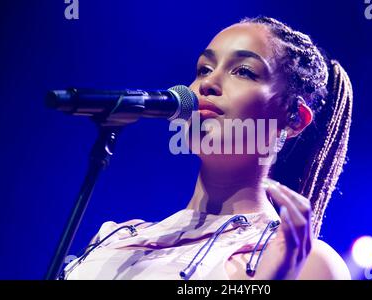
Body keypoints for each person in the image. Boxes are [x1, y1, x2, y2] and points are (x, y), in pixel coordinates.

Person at [63, 16, 353, 280]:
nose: (209, 83)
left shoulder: (307, 263)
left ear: (294, 119)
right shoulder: (116, 238)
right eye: (204, 69)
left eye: (243, 71)